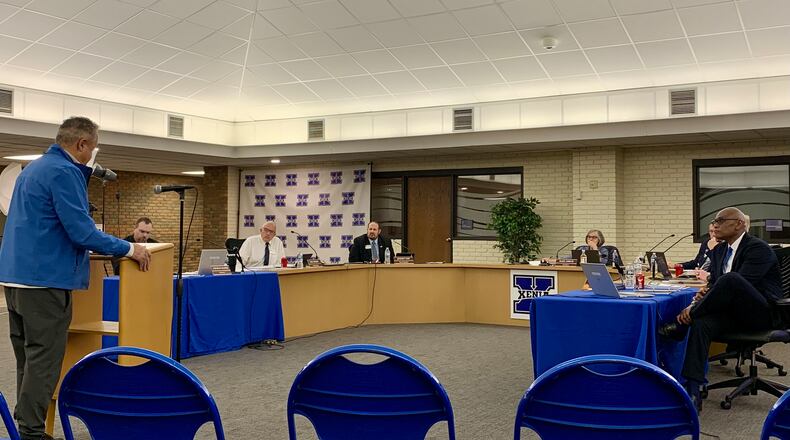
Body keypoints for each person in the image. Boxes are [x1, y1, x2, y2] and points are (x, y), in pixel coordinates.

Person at [0, 116, 151, 440]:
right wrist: (129, 248)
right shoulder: (64, 171)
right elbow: (82, 232)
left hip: (15, 279)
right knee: (44, 360)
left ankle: (25, 424)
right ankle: (32, 433)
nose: (93, 154)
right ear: (82, 144)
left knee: (29, 358)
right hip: (45, 282)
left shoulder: (34, 169)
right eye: (93, 147)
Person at [660, 207, 783, 412]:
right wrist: (697, 302)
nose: (715, 225)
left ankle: (681, 325)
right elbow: (715, 286)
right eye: (714, 221)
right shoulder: (718, 251)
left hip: (760, 313)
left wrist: (695, 308)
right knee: (701, 324)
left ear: (739, 224)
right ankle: (693, 390)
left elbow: (740, 286)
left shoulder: (758, 249)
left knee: (731, 279)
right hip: (731, 314)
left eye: (720, 220)